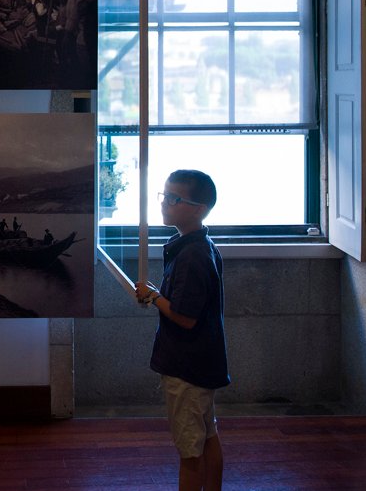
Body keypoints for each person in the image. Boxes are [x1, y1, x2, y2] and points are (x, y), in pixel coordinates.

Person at [136, 170, 228, 491]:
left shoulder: (192, 255)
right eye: (164, 196)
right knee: (207, 435)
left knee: (190, 452)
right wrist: (156, 295)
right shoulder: (197, 245)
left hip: (187, 366)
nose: (165, 204)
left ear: (199, 209)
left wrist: (153, 296)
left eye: (174, 199)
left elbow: (186, 318)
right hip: (201, 362)